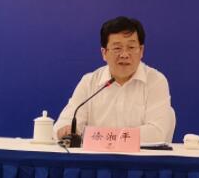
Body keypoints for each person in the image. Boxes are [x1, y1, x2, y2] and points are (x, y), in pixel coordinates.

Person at [55, 16, 175, 144]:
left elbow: (157, 134)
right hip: (96, 156)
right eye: (117, 48)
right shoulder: (89, 82)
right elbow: (63, 125)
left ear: (141, 51)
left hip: (141, 156)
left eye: (131, 47)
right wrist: (66, 130)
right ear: (104, 53)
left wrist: (104, 137)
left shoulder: (155, 81)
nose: (124, 54)